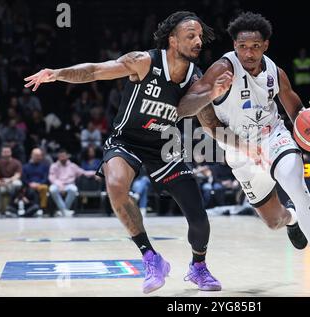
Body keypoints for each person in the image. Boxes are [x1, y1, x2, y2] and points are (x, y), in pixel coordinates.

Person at [24, 11, 221, 294]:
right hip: (126, 141)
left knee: (199, 217)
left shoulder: (196, 78)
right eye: (191, 36)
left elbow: (210, 124)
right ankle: (151, 258)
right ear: (173, 40)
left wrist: (245, 147)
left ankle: (198, 267)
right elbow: (95, 70)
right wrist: (57, 74)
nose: (199, 41)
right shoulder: (143, 61)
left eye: (200, 36)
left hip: (165, 146)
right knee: (116, 185)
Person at [177, 12, 310, 295]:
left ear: (265, 45)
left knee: (297, 186)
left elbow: (296, 112)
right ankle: (292, 220)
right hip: (238, 150)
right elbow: (184, 109)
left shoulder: (275, 71)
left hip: (273, 138)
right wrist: (210, 94)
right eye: (243, 47)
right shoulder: (221, 70)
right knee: (273, 221)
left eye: (255, 46)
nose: (249, 53)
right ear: (234, 46)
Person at [48, 149, 95, 217]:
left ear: (67, 156)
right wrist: (59, 185)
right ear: (58, 157)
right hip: (57, 184)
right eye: (61, 156)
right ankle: (65, 211)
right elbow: (51, 177)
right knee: (52, 190)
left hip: (69, 185)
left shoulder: (72, 166)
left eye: (64, 156)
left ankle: (63, 211)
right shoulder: (54, 166)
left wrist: (95, 173)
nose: (62, 158)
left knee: (73, 189)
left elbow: (83, 172)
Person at [0, 145, 22, 213]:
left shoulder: (16, 162)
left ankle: (13, 207)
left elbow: (18, 175)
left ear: (11, 152)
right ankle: (1, 209)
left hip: (12, 181)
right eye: (4, 152)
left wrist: (9, 180)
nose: (6, 153)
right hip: (2, 181)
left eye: (7, 151)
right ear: (1, 153)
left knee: (17, 183)